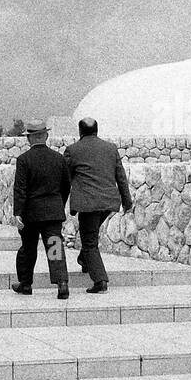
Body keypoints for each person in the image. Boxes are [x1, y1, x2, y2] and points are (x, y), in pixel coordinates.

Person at [63, 117, 133, 293]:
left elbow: (65, 180)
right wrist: (127, 201)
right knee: (90, 235)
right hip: (108, 202)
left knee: (89, 242)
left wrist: (61, 204)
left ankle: (100, 280)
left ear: (80, 132)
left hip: (87, 203)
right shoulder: (111, 148)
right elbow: (121, 176)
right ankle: (84, 260)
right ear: (96, 130)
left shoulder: (72, 150)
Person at [11, 119, 70, 299]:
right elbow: (66, 186)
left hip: (31, 212)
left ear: (29, 139)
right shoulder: (59, 158)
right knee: (55, 246)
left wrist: (18, 212)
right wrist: (58, 203)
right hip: (53, 212)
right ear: (46, 136)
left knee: (28, 249)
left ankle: (26, 283)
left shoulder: (23, 160)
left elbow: (20, 188)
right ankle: (61, 282)